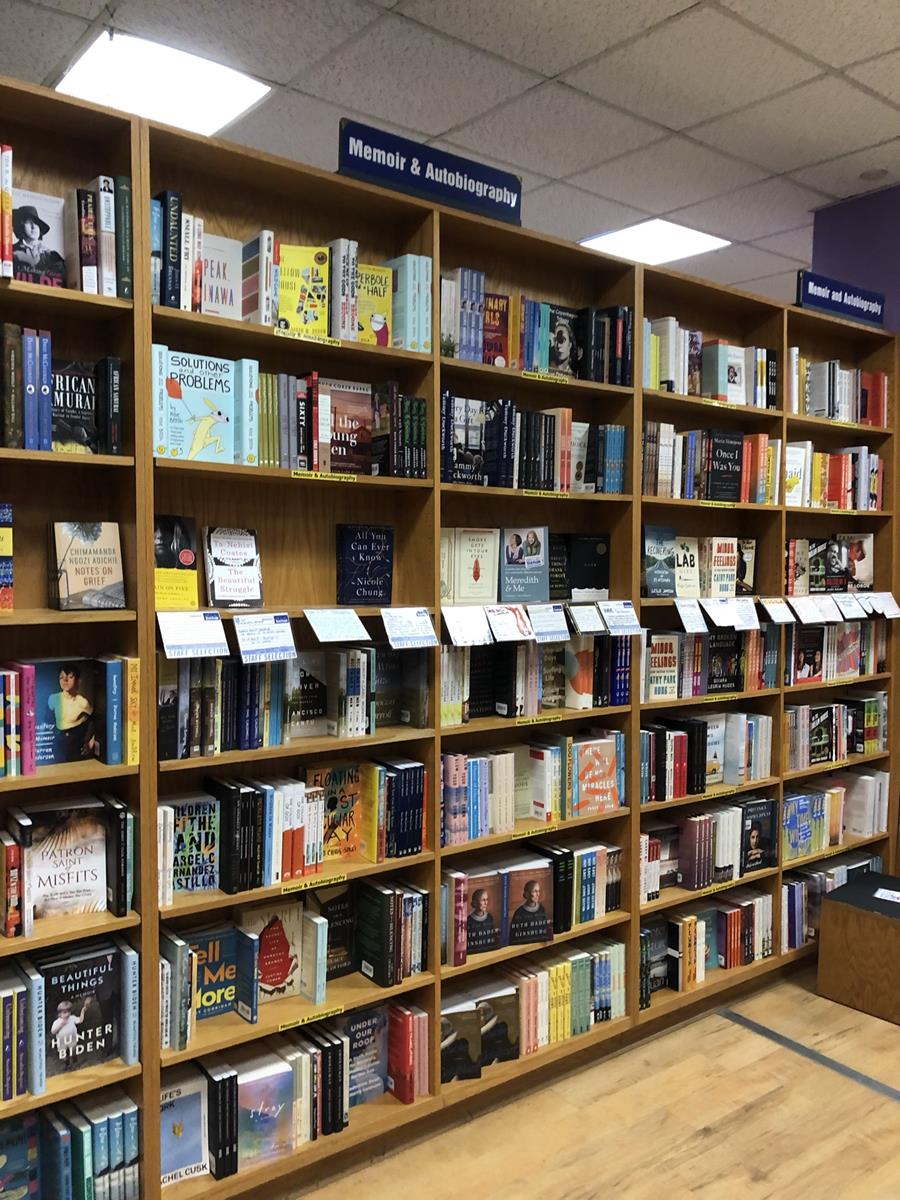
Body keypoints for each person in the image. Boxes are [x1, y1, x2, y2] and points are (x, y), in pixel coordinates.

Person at [48, 663, 97, 762]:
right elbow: (47, 719)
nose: (65, 680)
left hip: (75, 743)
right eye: (61, 677)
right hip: (57, 742)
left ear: (77, 680)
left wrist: (90, 741)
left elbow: (94, 720)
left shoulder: (82, 702)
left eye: (70, 677)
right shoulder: (53, 698)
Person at [12, 203, 65, 284]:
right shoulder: (10, 252)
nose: (33, 226)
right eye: (28, 222)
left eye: (36, 223)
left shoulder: (52, 256)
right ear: (20, 226)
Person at [50, 996, 89, 1068]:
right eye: (65, 1012)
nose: (67, 1014)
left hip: (72, 1038)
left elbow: (80, 1020)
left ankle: (75, 1062)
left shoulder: (72, 1018)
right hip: (62, 1040)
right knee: (64, 1053)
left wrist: (83, 1011)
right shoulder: (57, 1022)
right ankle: (66, 1064)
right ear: (59, 1014)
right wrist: (61, 1025)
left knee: (73, 1050)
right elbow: (53, 1031)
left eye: (69, 1012)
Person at [508, 879, 549, 944]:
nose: (538, 894)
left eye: (538, 891)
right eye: (535, 891)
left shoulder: (541, 909)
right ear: (527, 894)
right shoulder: (519, 913)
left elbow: (545, 930)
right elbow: (514, 937)